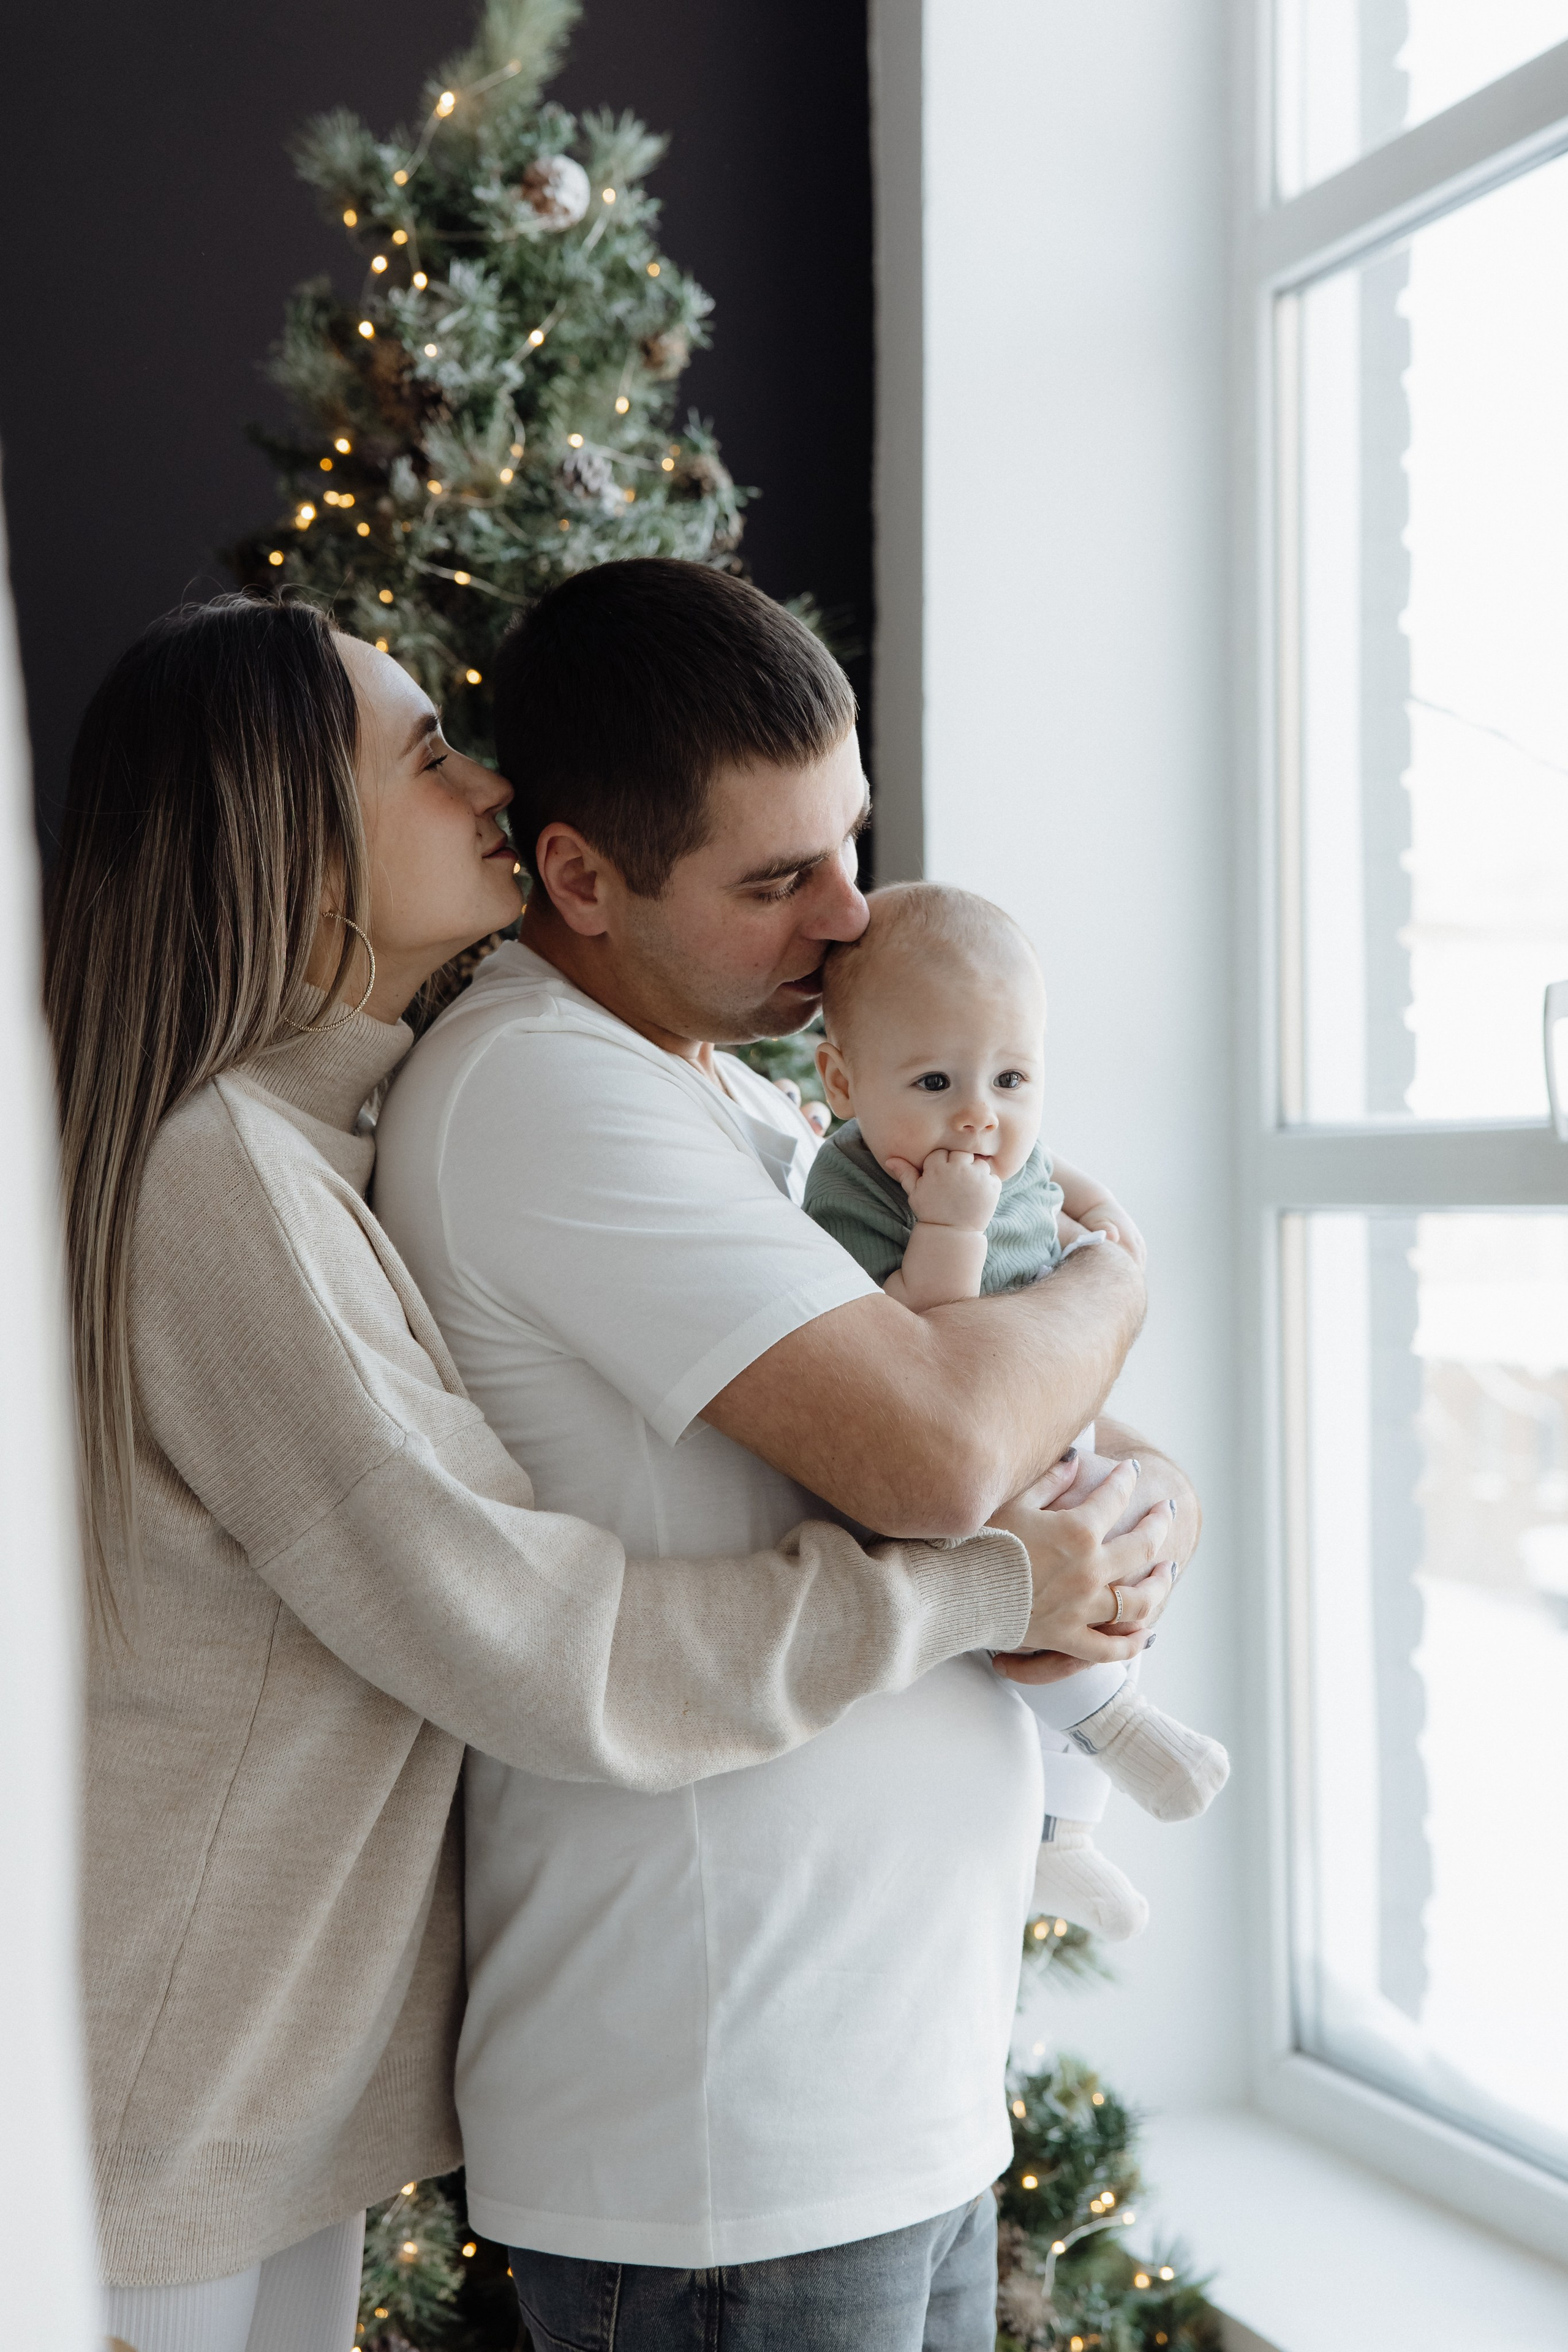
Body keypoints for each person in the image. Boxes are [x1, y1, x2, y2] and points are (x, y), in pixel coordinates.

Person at [49, 594, 1136, 2352]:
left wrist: (1081, 1396)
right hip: (187, 2090)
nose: (478, 778)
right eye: (421, 758)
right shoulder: (242, 1170)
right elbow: (542, 1631)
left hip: (276, 2089)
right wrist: (1000, 1565)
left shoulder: (357, 1127)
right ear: (304, 855)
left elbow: (983, 1396)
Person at [374, 558, 1194, 2352]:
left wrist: (1142, 1505)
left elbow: (1055, 1424)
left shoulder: (746, 1092)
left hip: (893, 2089)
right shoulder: (546, 1090)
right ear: (578, 873)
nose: (849, 923)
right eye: (774, 880)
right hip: (726, 2134)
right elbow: (946, 1447)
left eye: (852, 844)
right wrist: (1121, 1286)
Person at [804, 878, 1229, 1943]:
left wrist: (1101, 1211)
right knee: (1049, 1578)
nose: (978, 1116)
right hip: (971, 1462)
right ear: (844, 1080)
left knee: (1123, 1556)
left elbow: (1046, 1165)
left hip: (1054, 1428)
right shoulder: (853, 1191)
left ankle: (1069, 1840)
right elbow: (914, 1341)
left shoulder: (998, 1142)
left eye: (1012, 1078)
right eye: (937, 1080)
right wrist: (948, 1228)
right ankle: (1118, 1730)